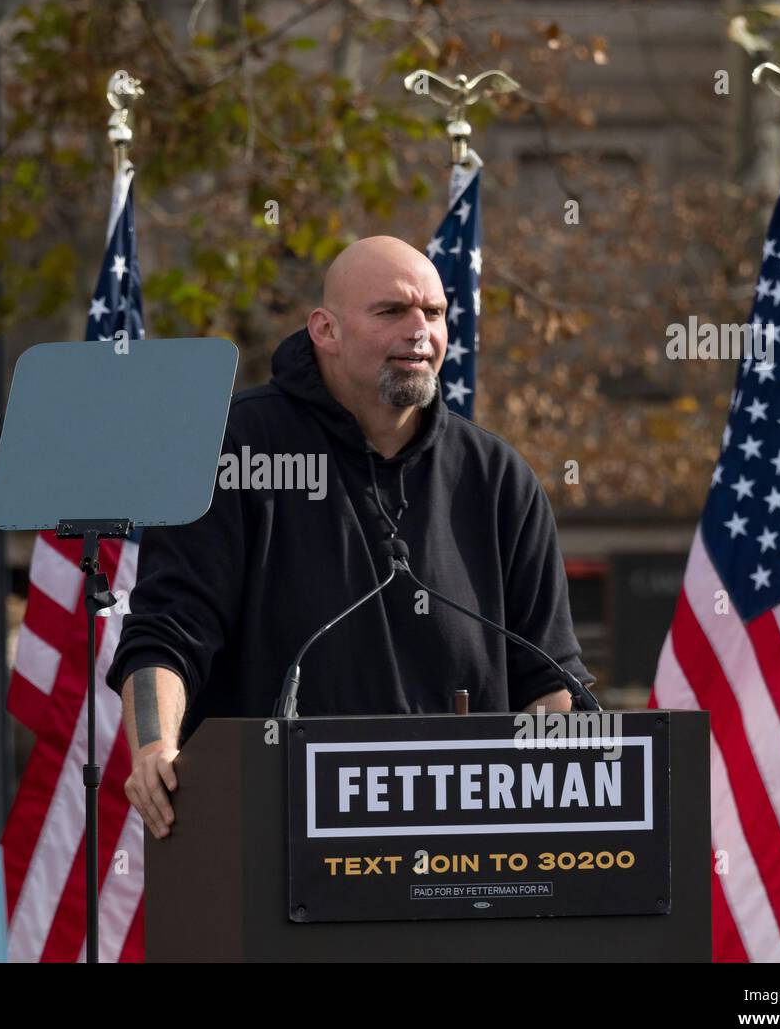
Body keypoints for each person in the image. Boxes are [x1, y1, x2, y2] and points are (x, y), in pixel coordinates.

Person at [106, 235, 594, 839]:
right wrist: (155, 747)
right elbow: (168, 634)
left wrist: (553, 802)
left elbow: (552, 680)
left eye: (434, 314)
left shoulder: (496, 476)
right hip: (275, 840)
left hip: (467, 863)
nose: (420, 330)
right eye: (391, 312)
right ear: (324, 329)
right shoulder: (229, 449)